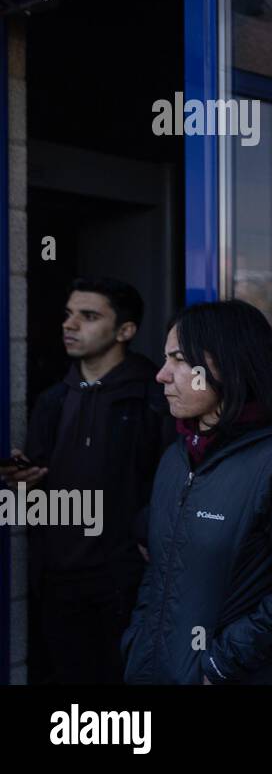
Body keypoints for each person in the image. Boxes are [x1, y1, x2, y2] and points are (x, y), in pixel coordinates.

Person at [121, 299, 272, 684]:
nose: (161, 375)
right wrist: (138, 641)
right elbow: (160, 569)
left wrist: (224, 661)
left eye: (178, 359)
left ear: (227, 363)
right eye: (165, 359)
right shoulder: (177, 456)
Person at [0, 277, 171, 684]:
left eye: (88, 316)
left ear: (125, 331)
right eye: (68, 314)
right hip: (58, 579)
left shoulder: (153, 397)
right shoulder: (53, 399)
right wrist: (21, 484)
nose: (69, 325)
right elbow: (34, 497)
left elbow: (171, 482)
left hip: (124, 580)